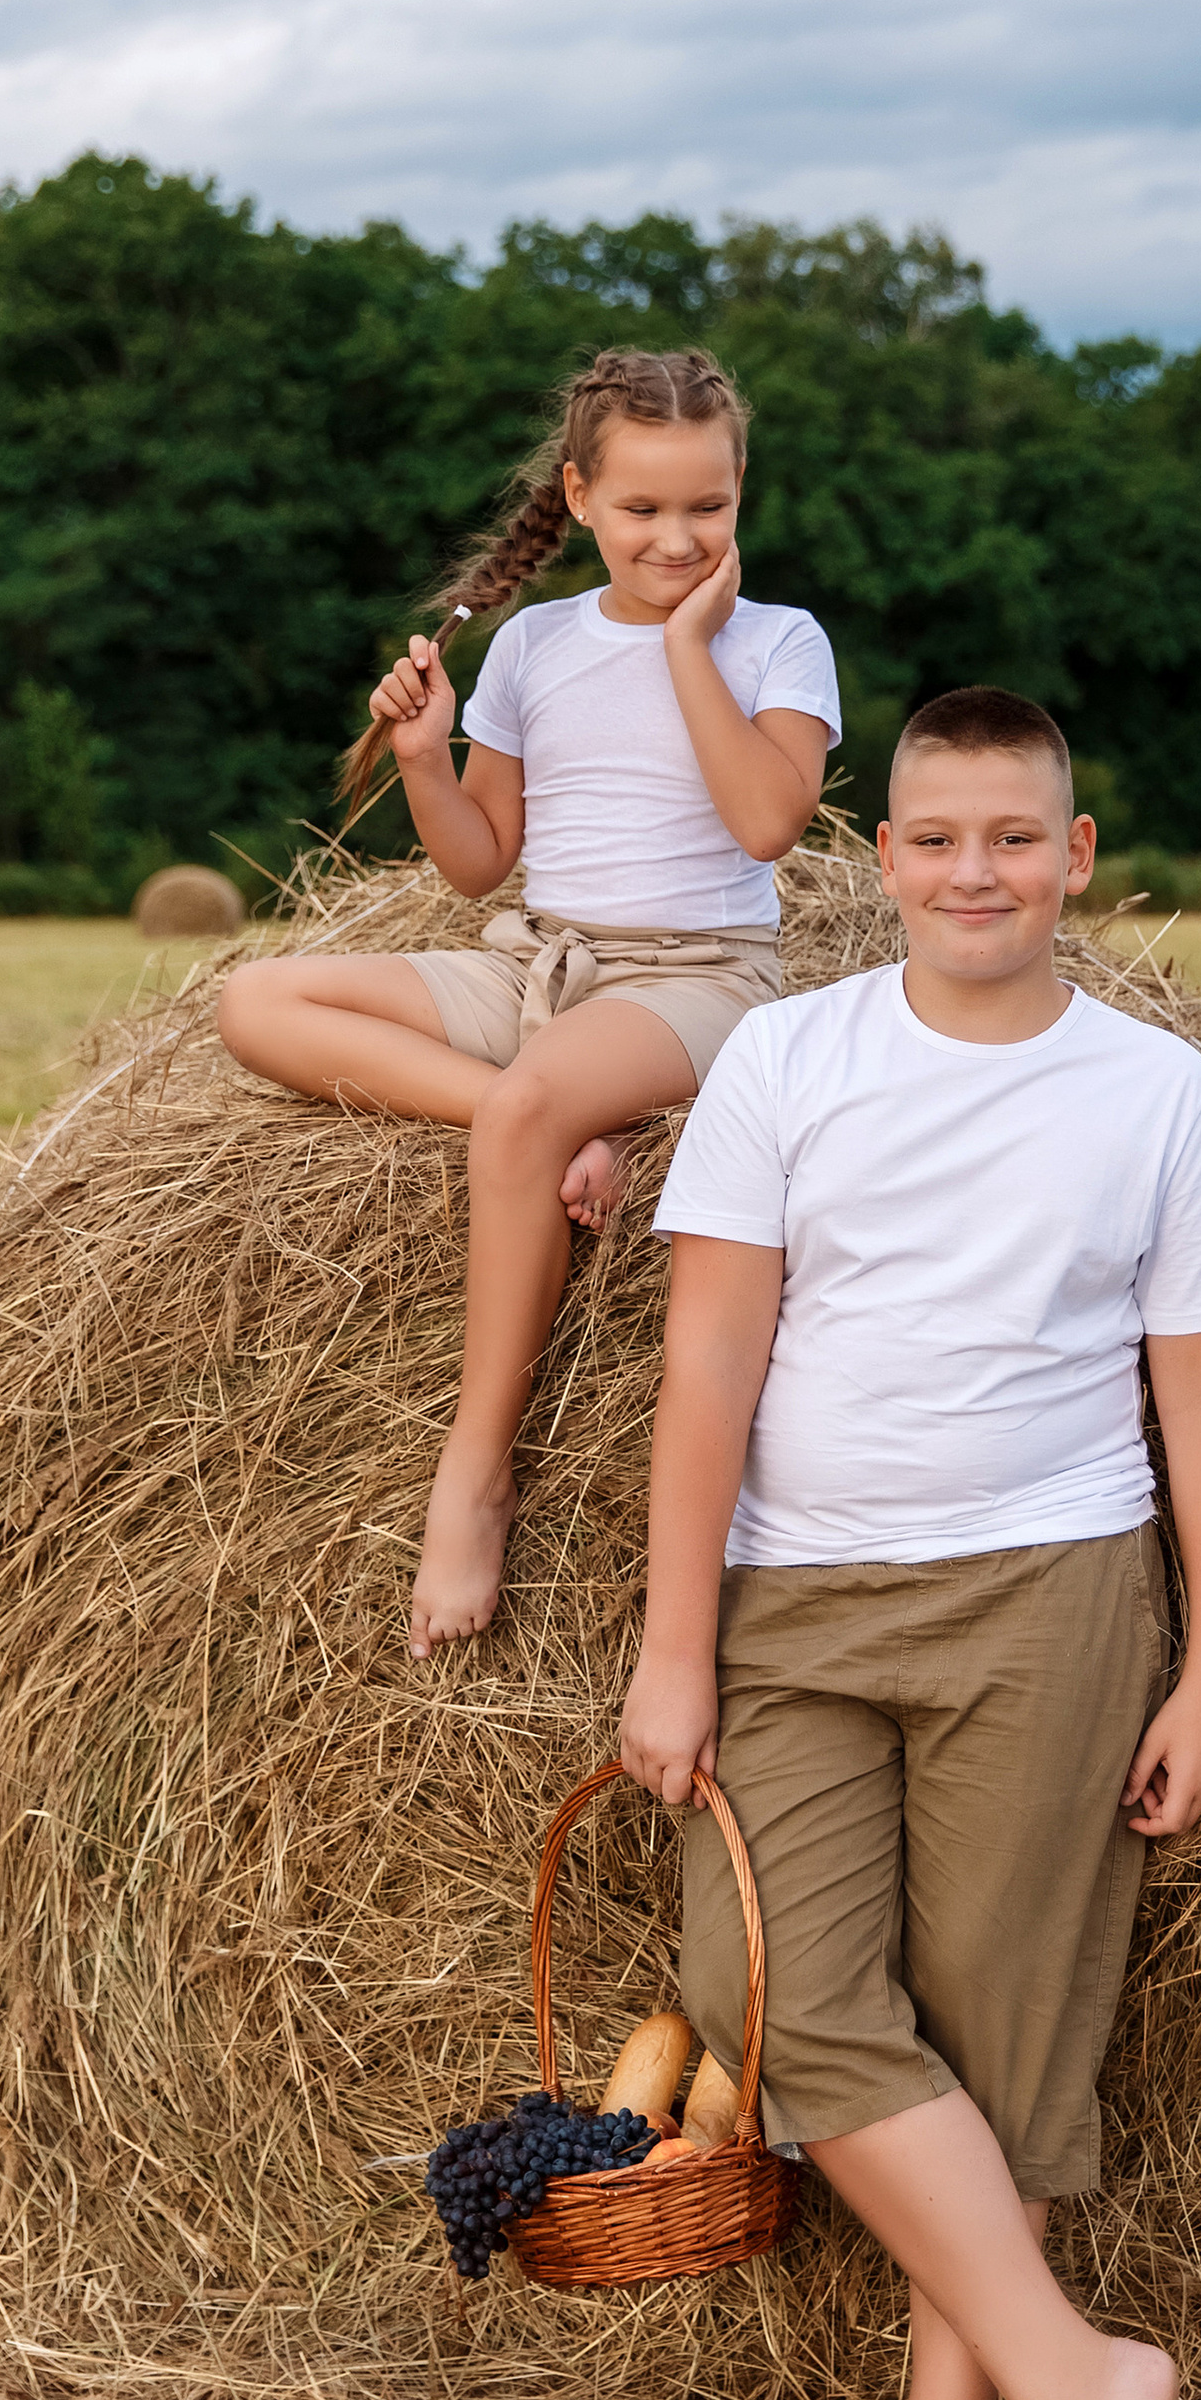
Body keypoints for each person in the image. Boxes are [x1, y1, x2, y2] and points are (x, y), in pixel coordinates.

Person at [618, 685, 1201, 2400]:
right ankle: (1085, 2378)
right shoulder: (786, 1059)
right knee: (765, 1988)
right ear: (882, 855)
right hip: (796, 1607)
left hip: (1048, 1597)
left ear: (1073, 859)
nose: (971, 873)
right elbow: (708, 1359)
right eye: (934, 838)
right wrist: (676, 1645)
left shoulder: (1158, 1096)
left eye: (1011, 839)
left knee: (1003, 2044)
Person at [217, 346, 838, 1657]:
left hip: (699, 978)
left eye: (709, 507)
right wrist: (422, 757)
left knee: (528, 1112)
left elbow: (768, 821)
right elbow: (478, 862)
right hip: (538, 963)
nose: (677, 538)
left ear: (742, 490)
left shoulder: (779, 641)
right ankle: (534, 1115)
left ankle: (476, 1471)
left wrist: (688, 648)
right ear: (580, 495)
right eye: (643, 508)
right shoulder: (532, 645)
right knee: (255, 1000)